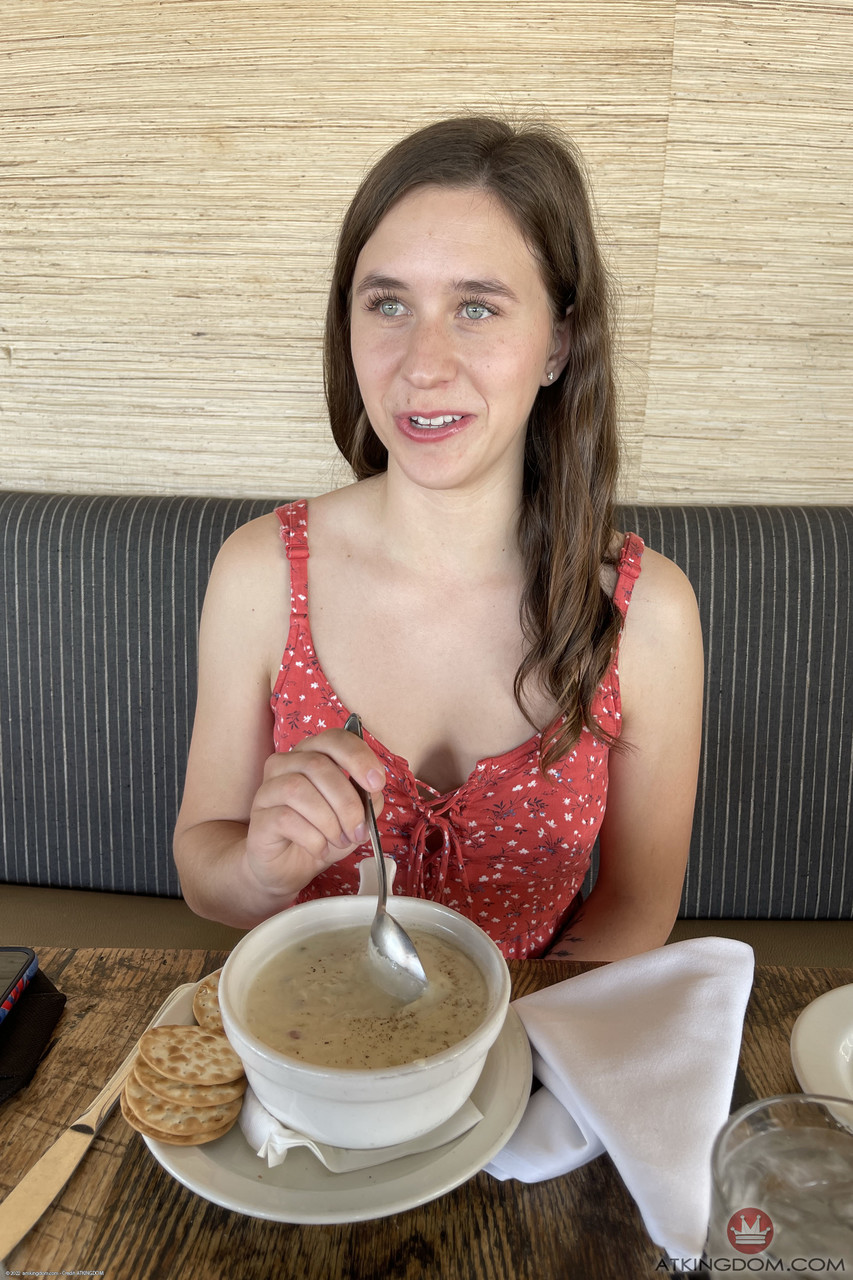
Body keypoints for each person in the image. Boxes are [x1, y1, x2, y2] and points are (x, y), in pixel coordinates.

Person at [173, 115, 704, 961]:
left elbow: (637, 904)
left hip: (535, 1030)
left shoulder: (648, 611)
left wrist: (505, 1028)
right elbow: (205, 867)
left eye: (475, 308)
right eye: (388, 304)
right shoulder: (260, 571)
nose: (422, 364)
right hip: (308, 1021)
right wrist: (259, 870)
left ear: (558, 343)